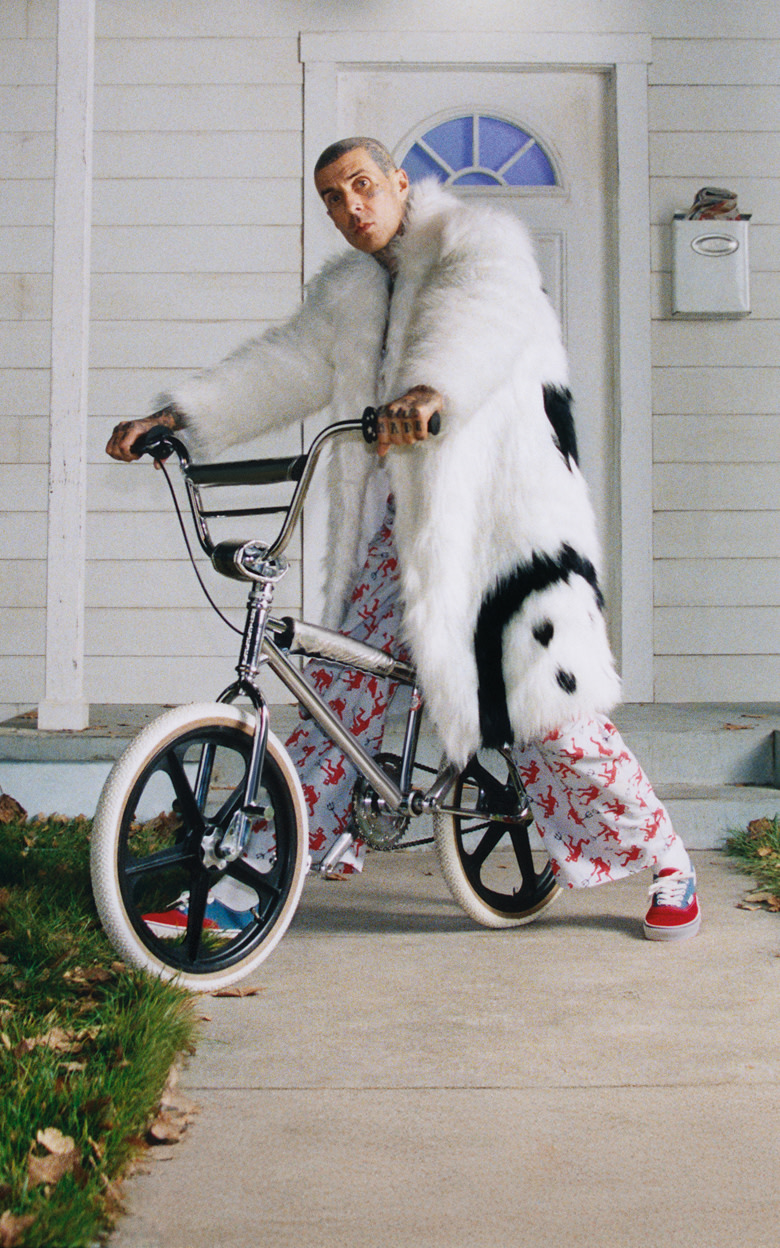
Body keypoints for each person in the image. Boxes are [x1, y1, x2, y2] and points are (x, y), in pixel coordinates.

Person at [106, 136, 700, 941]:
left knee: (552, 720)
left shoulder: (476, 244)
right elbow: (285, 365)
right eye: (332, 196)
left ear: (397, 181)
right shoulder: (351, 291)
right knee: (334, 697)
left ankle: (667, 859)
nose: (350, 206)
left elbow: (487, 319)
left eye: (361, 185)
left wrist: (430, 390)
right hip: (406, 535)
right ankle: (248, 881)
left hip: (506, 534)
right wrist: (178, 418)